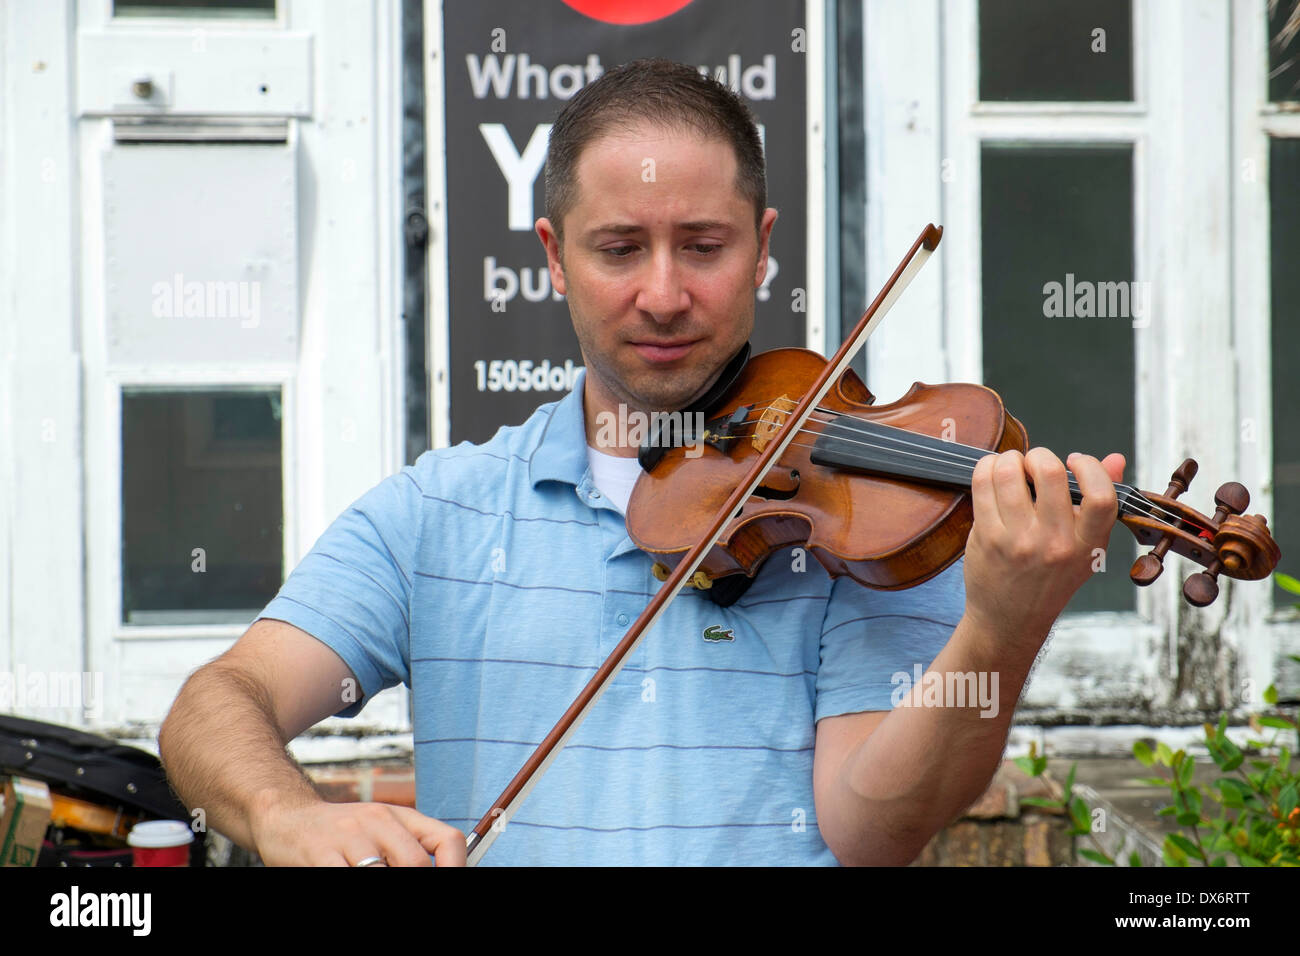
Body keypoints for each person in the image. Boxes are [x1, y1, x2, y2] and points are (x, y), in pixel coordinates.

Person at [157, 58, 1125, 867]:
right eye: (619, 248)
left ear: (761, 249)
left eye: (702, 245)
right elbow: (219, 700)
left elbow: (871, 827)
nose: (662, 295)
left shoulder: (875, 520)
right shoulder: (435, 515)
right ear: (552, 254)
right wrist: (285, 811)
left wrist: (1001, 624)